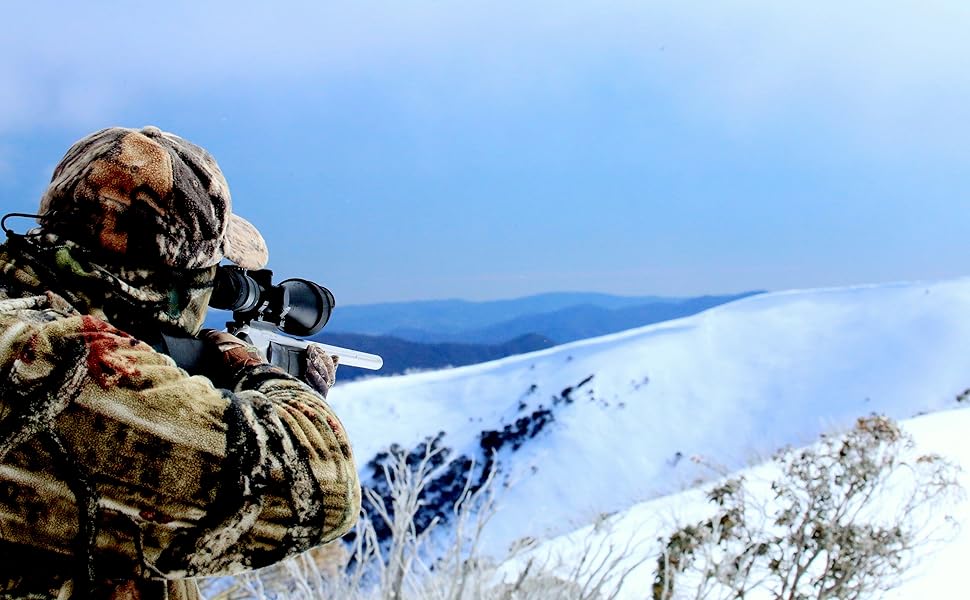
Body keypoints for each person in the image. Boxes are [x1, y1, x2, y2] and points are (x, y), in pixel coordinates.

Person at [0, 126, 361, 599]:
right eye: (208, 275)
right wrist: (259, 374)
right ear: (167, 281)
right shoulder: (50, 357)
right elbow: (325, 489)